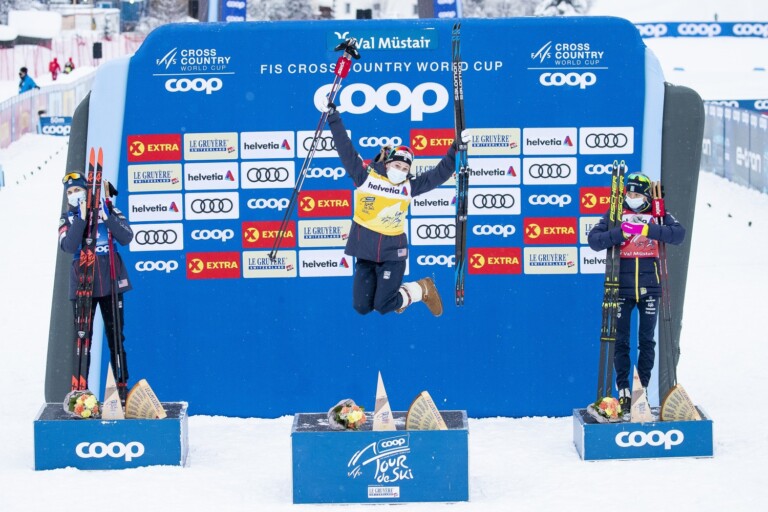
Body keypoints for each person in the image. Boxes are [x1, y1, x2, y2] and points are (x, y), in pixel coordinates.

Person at [324, 101, 469, 317]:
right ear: (387, 164)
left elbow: (439, 174)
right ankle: (403, 293)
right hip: (365, 254)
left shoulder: (409, 186)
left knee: (384, 305)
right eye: (397, 165)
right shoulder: (365, 177)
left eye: (405, 167)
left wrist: (456, 147)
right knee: (362, 307)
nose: (400, 170)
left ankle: (421, 288)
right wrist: (333, 118)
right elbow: (345, 149)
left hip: (393, 254)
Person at [588, 172, 685, 412]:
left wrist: (647, 230)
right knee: (621, 340)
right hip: (621, 286)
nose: (632, 198)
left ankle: (641, 389)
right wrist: (620, 232)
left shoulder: (657, 214)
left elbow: (678, 234)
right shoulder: (616, 213)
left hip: (650, 287)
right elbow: (594, 240)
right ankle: (623, 389)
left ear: (646, 196)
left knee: (647, 341)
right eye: (628, 193)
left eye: (637, 194)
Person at [59, 172, 133, 400]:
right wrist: (81, 219)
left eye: (78, 190)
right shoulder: (68, 218)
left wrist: (106, 217)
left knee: (116, 337)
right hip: (83, 284)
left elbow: (126, 237)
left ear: (87, 190)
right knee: (83, 339)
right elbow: (68, 246)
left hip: (111, 282)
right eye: (70, 192)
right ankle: (80, 390)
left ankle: (121, 386)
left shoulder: (108, 209)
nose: (74, 194)